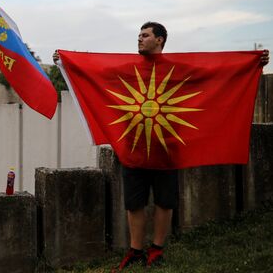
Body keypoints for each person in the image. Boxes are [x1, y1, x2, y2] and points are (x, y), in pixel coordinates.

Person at [53, 22, 269, 270]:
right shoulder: (127, 67)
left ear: (160, 40)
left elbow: (214, 72)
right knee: (134, 203)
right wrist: (66, 61)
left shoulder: (178, 69)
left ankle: (156, 249)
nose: (139, 39)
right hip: (133, 150)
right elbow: (95, 71)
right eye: (138, 35)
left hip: (167, 149)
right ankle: (135, 251)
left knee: (165, 201)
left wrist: (254, 62)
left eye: (145, 35)